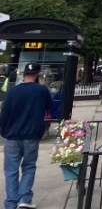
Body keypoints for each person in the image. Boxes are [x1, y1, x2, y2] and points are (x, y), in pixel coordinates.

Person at [1, 63, 52, 209]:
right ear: (36, 76)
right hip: (32, 135)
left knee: (11, 170)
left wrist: (4, 131)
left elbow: (4, 114)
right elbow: (48, 106)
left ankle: (11, 202)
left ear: (23, 75)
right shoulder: (42, 90)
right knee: (29, 166)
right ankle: (24, 198)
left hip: (12, 136)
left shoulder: (13, 91)